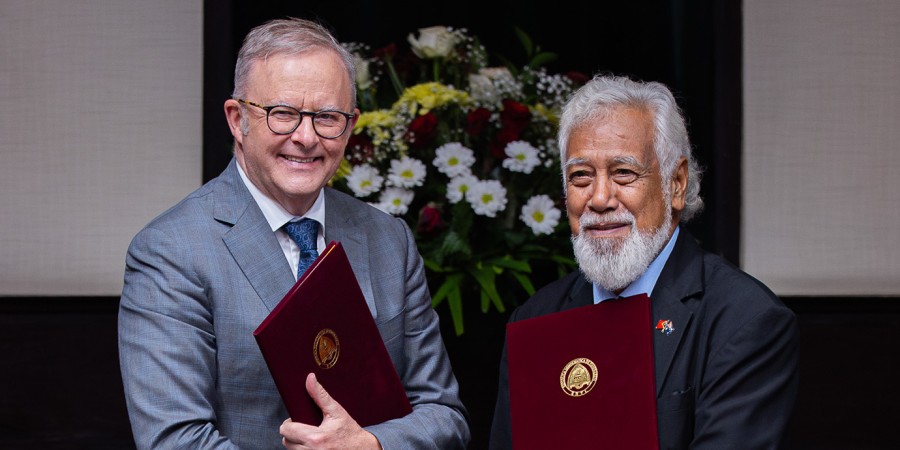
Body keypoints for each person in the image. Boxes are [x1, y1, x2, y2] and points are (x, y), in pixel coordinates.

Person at [118, 18, 470, 449]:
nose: (305, 137)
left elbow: (444, 413)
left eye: (327, 117)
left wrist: (370, 446)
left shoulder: (388, 239)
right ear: (237, 119)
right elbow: (173, 440)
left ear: (351, 124)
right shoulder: (171, 251)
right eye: (282, 114)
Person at [489, 75, 799, 449]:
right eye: (581, 176)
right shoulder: (536, 321)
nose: (600, 198)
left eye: (624, 173)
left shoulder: (745, 321)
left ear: (677, 184)